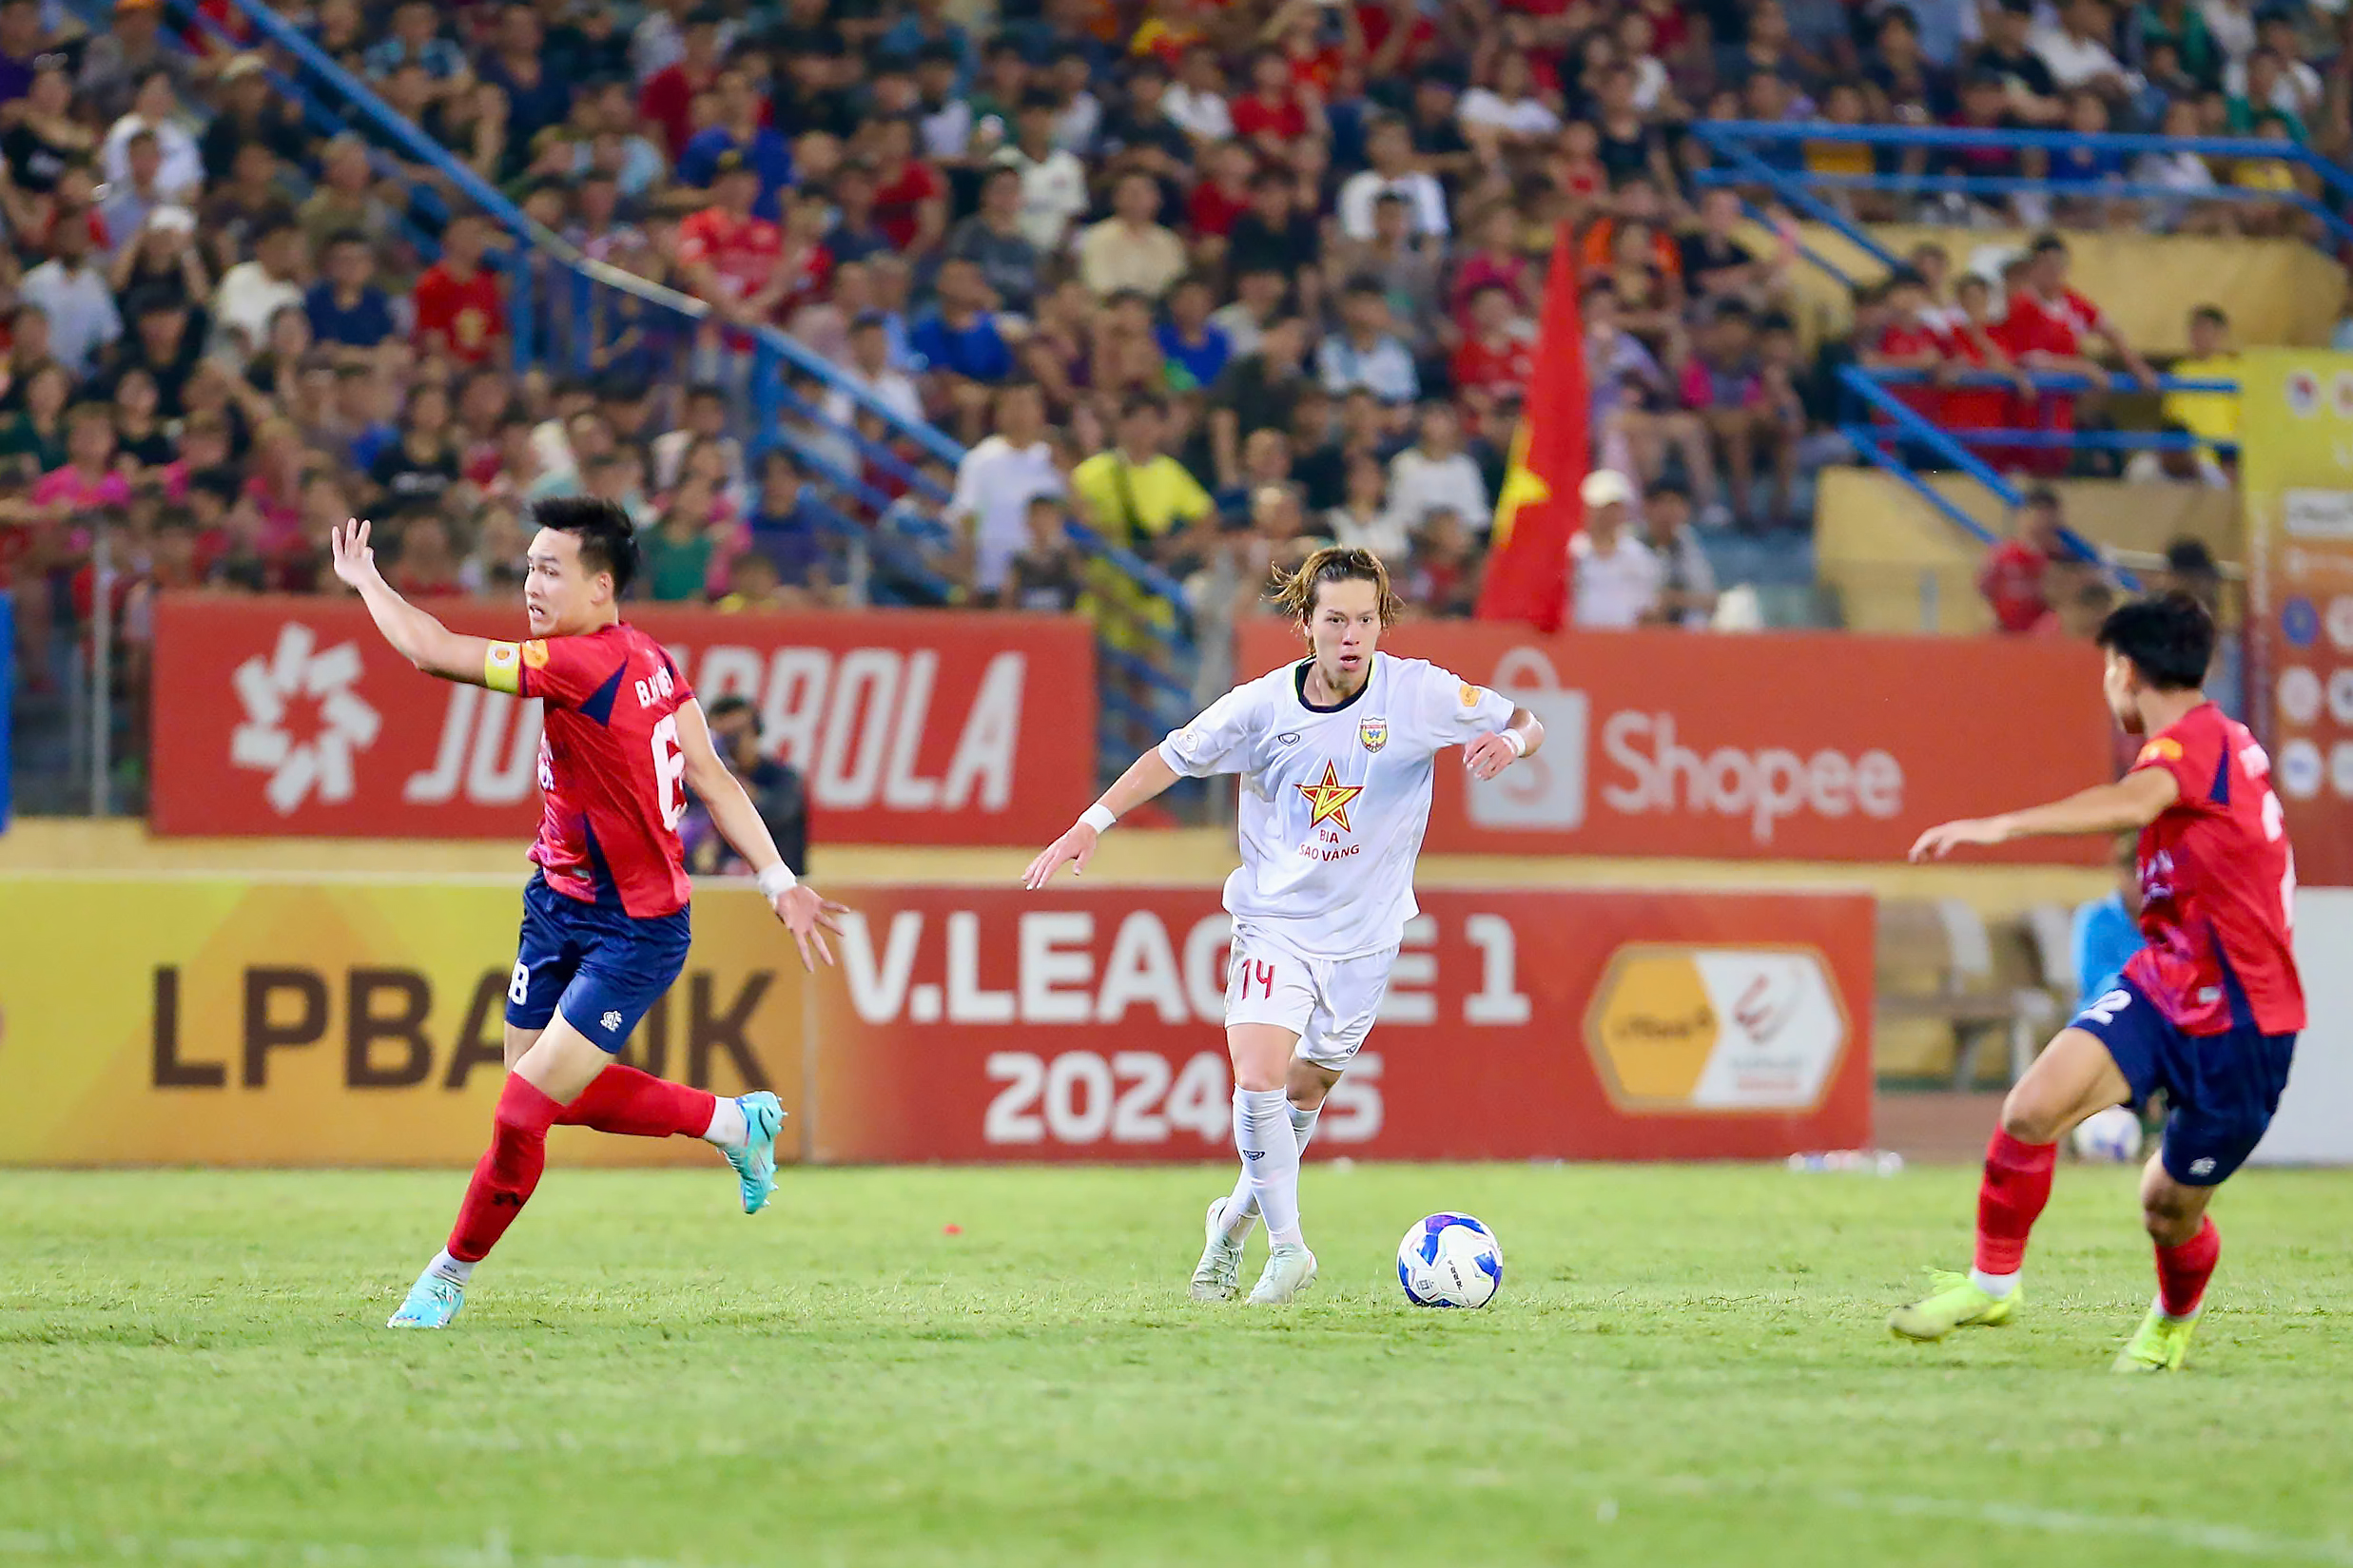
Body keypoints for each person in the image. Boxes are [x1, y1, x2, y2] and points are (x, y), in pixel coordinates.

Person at [326, 497, 848, 1331]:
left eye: (549, 570)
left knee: (521, 1111)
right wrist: (777, 878)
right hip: (556, 904)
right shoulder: (653, 659)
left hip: (635, 929)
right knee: (540, 1091)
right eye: (528, 568)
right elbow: (712, 777)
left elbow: (431, 651)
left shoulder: (580, 663)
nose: (531, 586)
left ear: (600, 586)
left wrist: (367, 581)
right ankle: (732, 1121)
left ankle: (446, 1276)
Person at [1022, 547, 1543, 1305]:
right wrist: (1091, 822)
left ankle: (1231, 1228)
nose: (1351, 635)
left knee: (1304, 1093)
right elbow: (1171, 756)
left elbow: (1527, 719)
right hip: (1276, 923)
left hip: (1366, 936)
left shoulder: (1419, 692)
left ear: (1381, 623)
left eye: (1365, 620)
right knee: (1258, 1075)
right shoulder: (1261, 707)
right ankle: (1290, 1249)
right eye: (1335, 620)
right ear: (1305, 623)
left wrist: (1510, 742)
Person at [1892, 593, 2303, 1373]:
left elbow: (2132, 802)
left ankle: (2172, 1320)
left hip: (2244, 1020)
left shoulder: (2195, 744)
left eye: (2107, 669)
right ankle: (1992, 1284)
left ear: (2126, 670)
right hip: (2167, 979)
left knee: (2166, 1208)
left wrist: (1999, 826)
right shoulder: (2214, 744)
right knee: (2031, 1107)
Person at [2072, 833, 2144, 1008]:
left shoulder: (2170, 922)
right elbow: (2094, 981)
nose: (2143, 884)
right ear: (2120, 874)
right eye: (2135, 875)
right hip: (2104, 1012)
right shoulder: (2095, 918)